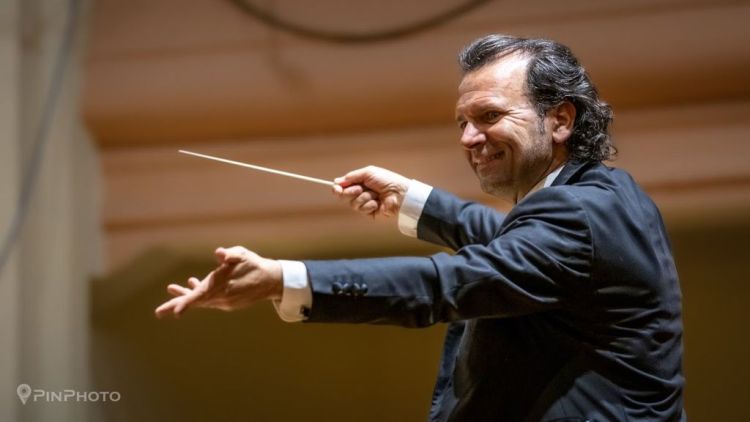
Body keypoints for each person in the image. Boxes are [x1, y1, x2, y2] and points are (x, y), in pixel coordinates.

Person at [155, 34, 685, 421]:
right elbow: (510, 244)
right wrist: (411, 198)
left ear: (560, 120)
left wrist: (286, 279)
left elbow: (446, 284)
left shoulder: (579, 215)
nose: (468, 138)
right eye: (462, 122)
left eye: (489, 116)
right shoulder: (602, 197)